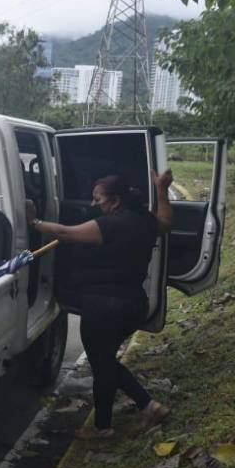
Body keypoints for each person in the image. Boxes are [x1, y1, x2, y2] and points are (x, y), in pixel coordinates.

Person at [25, 171, 174, 439]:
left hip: (103, 307)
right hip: (133, 305)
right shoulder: (144, 220)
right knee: (105, 362)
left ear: (115, 201)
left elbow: (64, 233)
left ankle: (139, 409)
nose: (94, 205)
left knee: (103, 364)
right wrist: (162, 189)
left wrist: (33, 220)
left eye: (98, 200)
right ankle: (106, 424)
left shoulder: (110, 225)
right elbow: (166, 221)